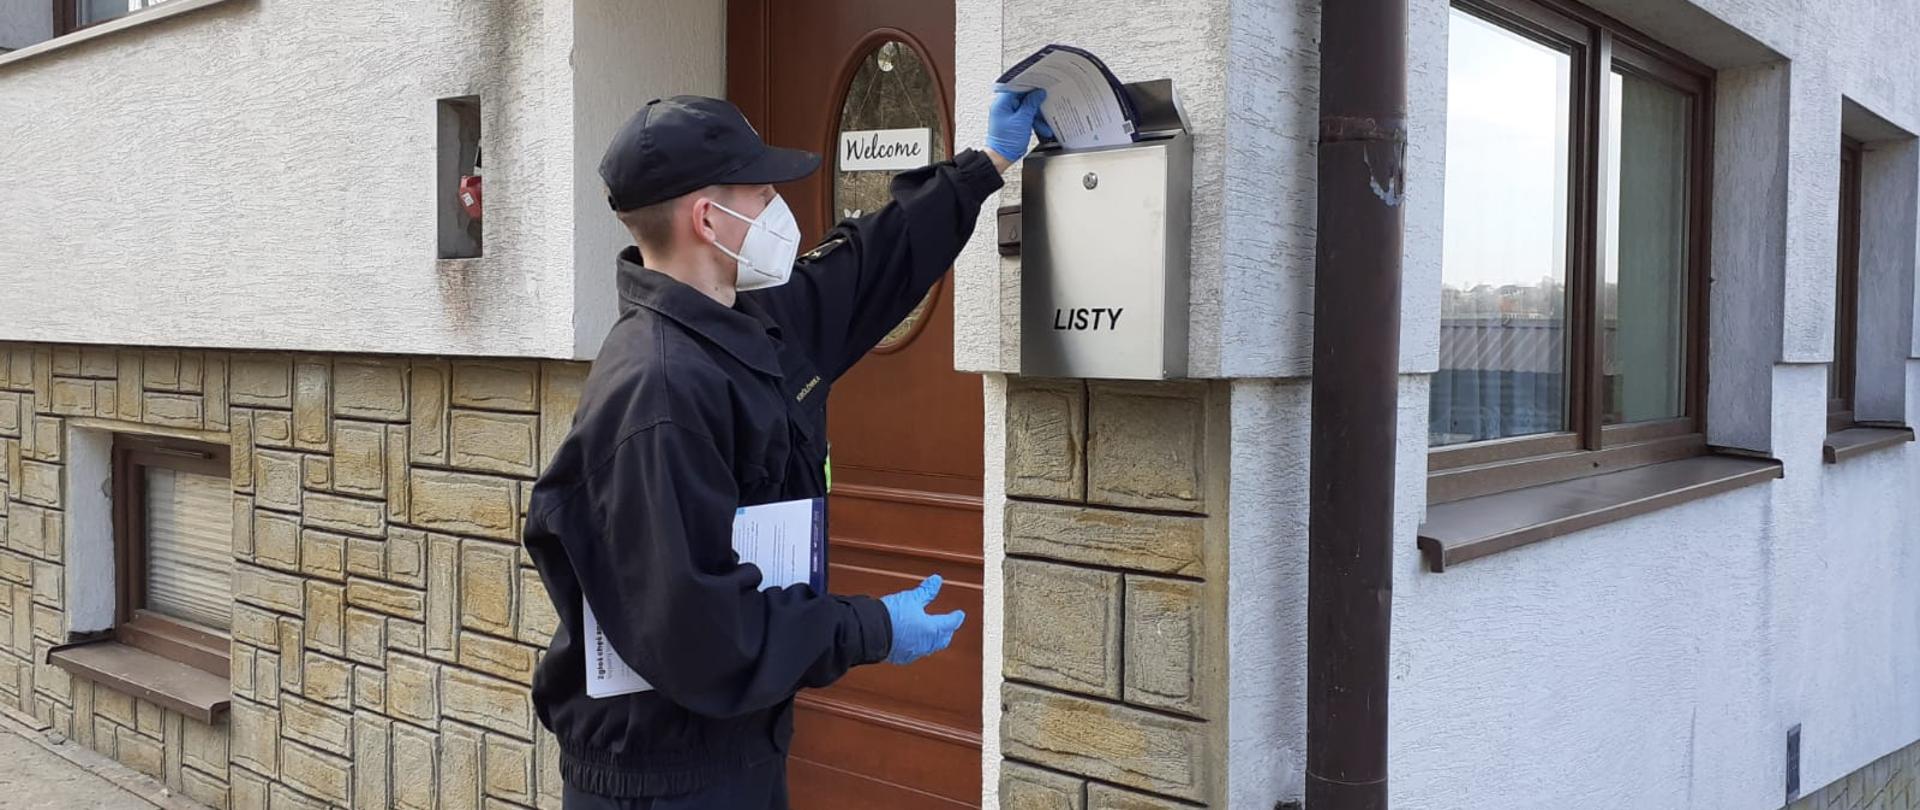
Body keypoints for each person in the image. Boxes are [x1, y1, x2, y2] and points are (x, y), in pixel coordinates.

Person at [521, 88, 1050, 810]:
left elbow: (870, 264)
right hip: (664, 783)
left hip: (736, 752)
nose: (779, 211)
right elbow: (703, 633)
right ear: (708, 219)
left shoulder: (750, 322)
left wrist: (985, 164)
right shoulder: (658, 393)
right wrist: (871, 628)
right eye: (763, 192)